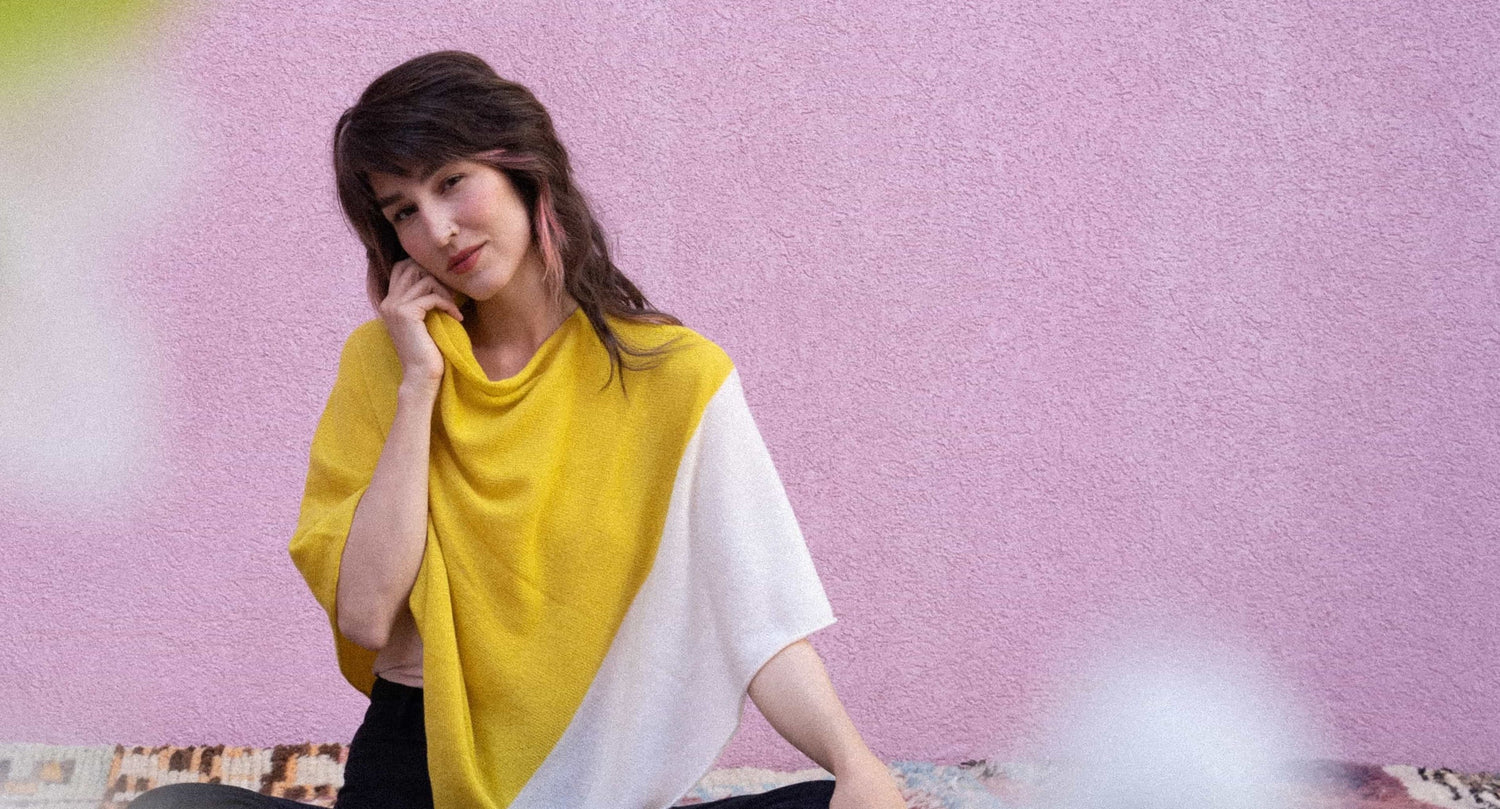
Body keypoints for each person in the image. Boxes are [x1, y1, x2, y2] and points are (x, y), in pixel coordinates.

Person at [130, 50, 905, 809]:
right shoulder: (385, 361)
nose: (438, 229)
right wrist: (420, 384)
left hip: (588, 780)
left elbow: (761, 619)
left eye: (451, 181)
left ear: (523, 170)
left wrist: (856, 764)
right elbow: (365, 612)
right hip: (416, 768)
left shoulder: (676, 378)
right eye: (403, 211)